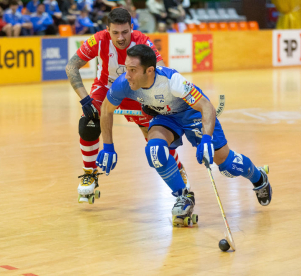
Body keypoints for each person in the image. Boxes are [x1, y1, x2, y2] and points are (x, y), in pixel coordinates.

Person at [96, 44, 273, 225]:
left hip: (192, 115)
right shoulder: (124, 84)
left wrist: (206, 139)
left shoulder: (172, 81)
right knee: (154, 151)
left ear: (149, 71)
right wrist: (108, 147)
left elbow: (206, 106)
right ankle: (183, 197)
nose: (127, 75)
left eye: (133, 70)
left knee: (227, 165)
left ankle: (259, 177)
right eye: (126, 68)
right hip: (165, 117)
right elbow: (105, 109)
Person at [65, 8, 189, 203]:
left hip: (137, 89)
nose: (120, 38)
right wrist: (84, 99)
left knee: (156, 133)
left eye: (125, 32)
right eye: (115, 33)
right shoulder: (98, 40)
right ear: (107, 30)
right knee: (88, 123)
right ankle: (90, 172)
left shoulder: (142, 41)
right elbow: (71, 66)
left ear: (132, 27)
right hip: (106, 88)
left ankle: (177, 167)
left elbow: (162, 68)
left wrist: (156, 98)